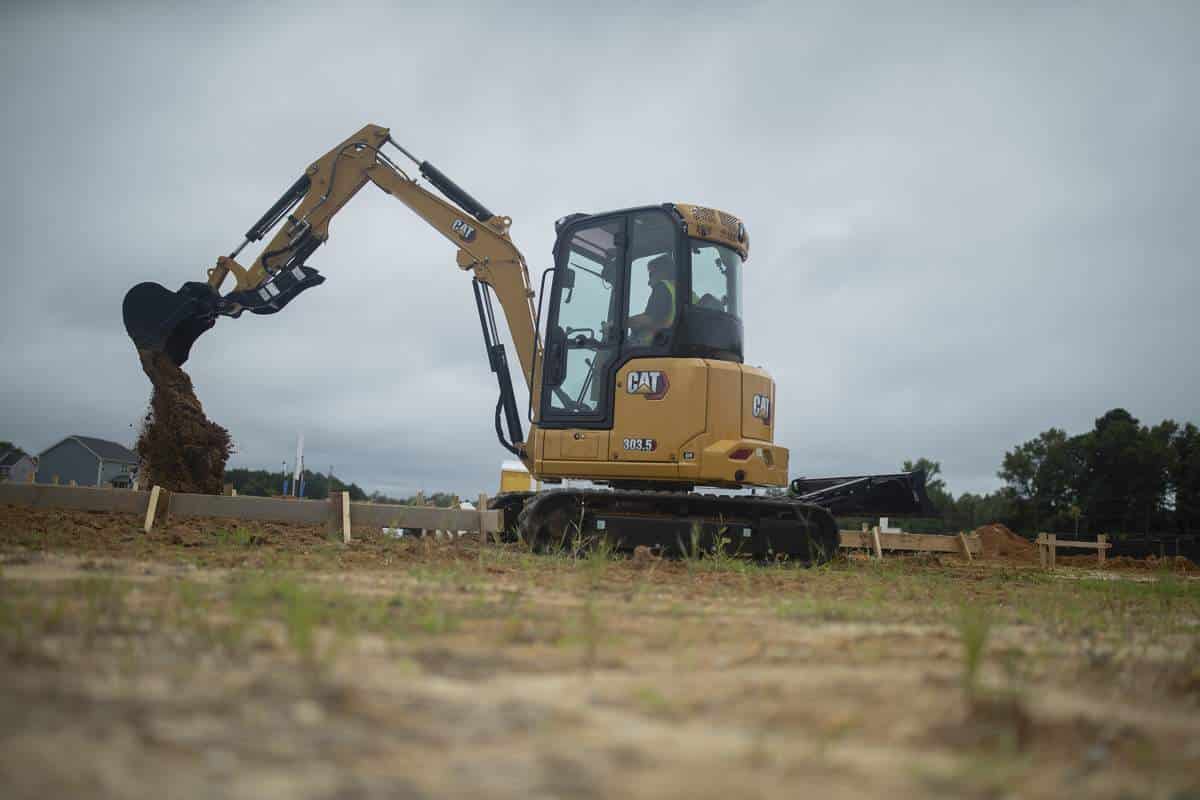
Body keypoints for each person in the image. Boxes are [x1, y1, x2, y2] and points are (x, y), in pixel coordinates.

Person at [627, 253, 677, 345]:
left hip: (656, 347)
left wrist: (620, 323)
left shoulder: (663, 287)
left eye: (651, 274)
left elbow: (651, 319)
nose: (649, 282)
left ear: (662, 272)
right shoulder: (686, 294)